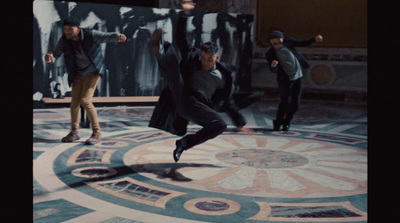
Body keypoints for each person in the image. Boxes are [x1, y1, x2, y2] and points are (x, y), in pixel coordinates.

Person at [149, 0, 258, 162]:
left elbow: (227, 102)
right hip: (183, 95)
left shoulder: (223, 76)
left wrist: (240, 123)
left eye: (210, 59)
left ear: (217, 58)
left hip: (199, 106)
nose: (206, 62)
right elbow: (181, 38)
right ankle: (160, 49)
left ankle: (184, 143)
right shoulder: (194, 58)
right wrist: (185, 14)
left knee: (220, 125)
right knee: (174, 74)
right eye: (203, 58)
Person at [45, 18, 127, 145]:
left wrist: (118, 36)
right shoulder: (65, 39)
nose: (67, 32)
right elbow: (56, 54)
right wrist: (50, 58)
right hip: (78, 74)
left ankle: (97, 132)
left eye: (70, 29)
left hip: (93, 73)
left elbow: (106, 36)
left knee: (86, 100)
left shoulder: (90, 34)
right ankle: (74, 132)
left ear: (78, 28)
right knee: (74, 102)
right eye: (65, 29)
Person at [266, 30, 323, 131]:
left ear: (282, 40)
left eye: (279, 42)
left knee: (295, 103)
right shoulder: (270, 53)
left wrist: (314, 39)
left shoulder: (288, 41)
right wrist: (273, 66)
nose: (277, 45)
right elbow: (273, 69)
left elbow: (302, 42)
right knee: (285, 102)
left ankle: (287, 122)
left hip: (298, 77)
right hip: (285, 80)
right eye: (274, 43)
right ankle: (278, 122)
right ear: (271, 42)